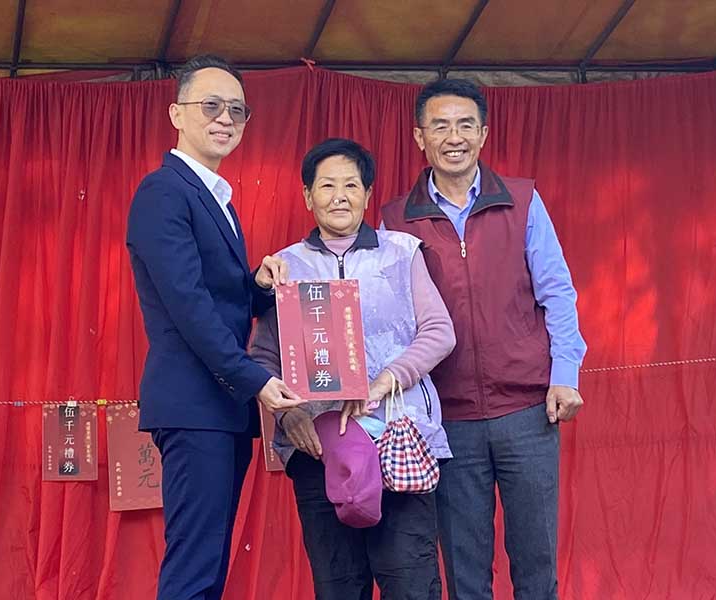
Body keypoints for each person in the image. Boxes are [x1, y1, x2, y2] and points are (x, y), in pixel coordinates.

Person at [380, 79, 587, 600]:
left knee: (536, 564)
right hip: (446, 420)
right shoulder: (394, 221)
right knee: (465, 571)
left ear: (484, 133)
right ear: (419, 137)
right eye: (440, 126)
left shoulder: (523, 201)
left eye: (466, 125)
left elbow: (558, 292)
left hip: (527, 411)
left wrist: (565, 375)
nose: (455, 137)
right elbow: (381, 311)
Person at [126, 55, 303, 600]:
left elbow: (217, 298)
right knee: (194, 568)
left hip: (219, 408)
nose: (225, 118)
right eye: (210, 105)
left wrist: (258, 286)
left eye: (237, 110)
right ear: (176, 113)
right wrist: (254, 379)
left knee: (209, 566)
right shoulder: (164, 192)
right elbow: (187, 305)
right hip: (194, 404)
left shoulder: (214, 197)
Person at [251, 138, 456, 600]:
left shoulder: (402, 252)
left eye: (351, 185)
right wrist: (288, 414)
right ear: (308, 196)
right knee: (338, 585)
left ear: (367, 193)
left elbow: (440, 332)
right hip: (320, 451)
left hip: (399, 439)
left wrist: (386, 380)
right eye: (327, 186)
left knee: (411, 583)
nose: (339, 196)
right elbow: (264, 358)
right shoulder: (285, 266)